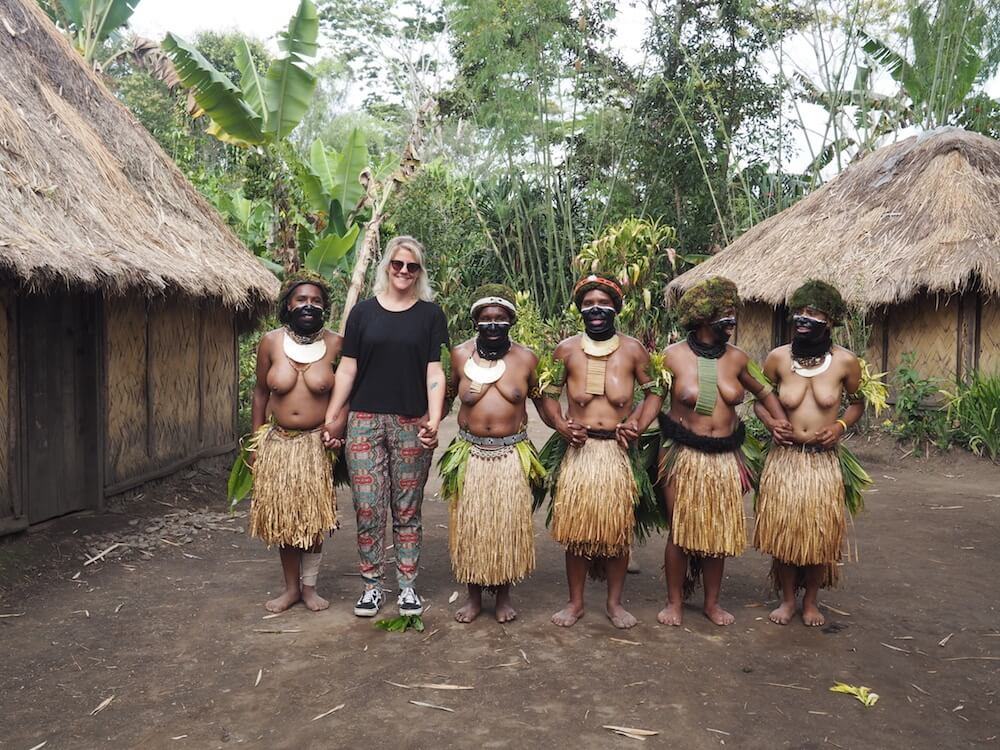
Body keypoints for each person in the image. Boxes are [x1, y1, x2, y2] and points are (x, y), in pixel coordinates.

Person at [323, 236, 449, 618]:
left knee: (406, 508)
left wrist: (433, 417)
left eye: (412, 267)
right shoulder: (362, 314)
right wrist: (333, 415)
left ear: (420, 272)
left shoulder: (430, 315)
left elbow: (435, 371)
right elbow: (347, 368)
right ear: (386, 267)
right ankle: (372, 586)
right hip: (363, 423)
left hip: (411, 422)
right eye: (397, 264)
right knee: (368, 507)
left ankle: (408, 586)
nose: (404, 272)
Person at [657, 277, 791, 627]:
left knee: (716, 532)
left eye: (733, 314)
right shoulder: (671, 357)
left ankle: (712, 603)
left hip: (724, 458)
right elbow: (652, 399)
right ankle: (674, 602)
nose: (731, 321)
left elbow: (764, 394)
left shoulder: (738, 359)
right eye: (725, 315)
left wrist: (778, 423)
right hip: (681, 454)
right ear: (703, 317)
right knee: (680, 530)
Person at [537, 274, 664, 629]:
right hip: (580, 452)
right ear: (580, 309)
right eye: (589, 303)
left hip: (616, 453)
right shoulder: (565, 350)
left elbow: (656, 391)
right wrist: (560, 424)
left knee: (617, 531)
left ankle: (614, 603)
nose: (596, 309)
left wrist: (638, 421)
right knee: (577, 532)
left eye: (604, 304)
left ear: (615, 309)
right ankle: (575, 603)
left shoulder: (633, 350)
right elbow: (546, 394)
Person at [753, 280, 865, 627]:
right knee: (785, 532)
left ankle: (812, 602)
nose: (803, 318)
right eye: (799, 312)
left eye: (813, 313)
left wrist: (840, 427)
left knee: (819, 535)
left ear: (829, 320)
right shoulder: (778, 358)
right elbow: (759, 400)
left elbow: (857, 403)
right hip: (785, 461)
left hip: (821, 463)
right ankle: (787, 600)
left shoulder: (846, 362)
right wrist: (772, 422)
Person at [439, 284, 546, 624]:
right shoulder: (458, 355)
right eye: (486, 319)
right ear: (476, 322)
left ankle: (503, 597)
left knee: (504, 528)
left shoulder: (527, 358)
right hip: (470, 453)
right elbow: (444, 397)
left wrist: (567, 427)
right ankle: (473, 598)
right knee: (472, 528)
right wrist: (424, 423)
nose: (493, 324)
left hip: (510, 454)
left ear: (511, 321)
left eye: (500, 318)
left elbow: (544, 404)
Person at [248, 272, 344, 613]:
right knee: (286, 520)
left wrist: (337, 431)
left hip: (316, 445)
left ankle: (310, 588)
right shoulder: (271, 342)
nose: (309, 305)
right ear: (288, 304)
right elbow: (260, 393)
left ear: (324, 307)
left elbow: (345, 396)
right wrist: (256, 442)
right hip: (279, 443)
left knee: (313, 519)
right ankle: (290, 589)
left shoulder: (336, 344)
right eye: (302, 299)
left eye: (316, 301)